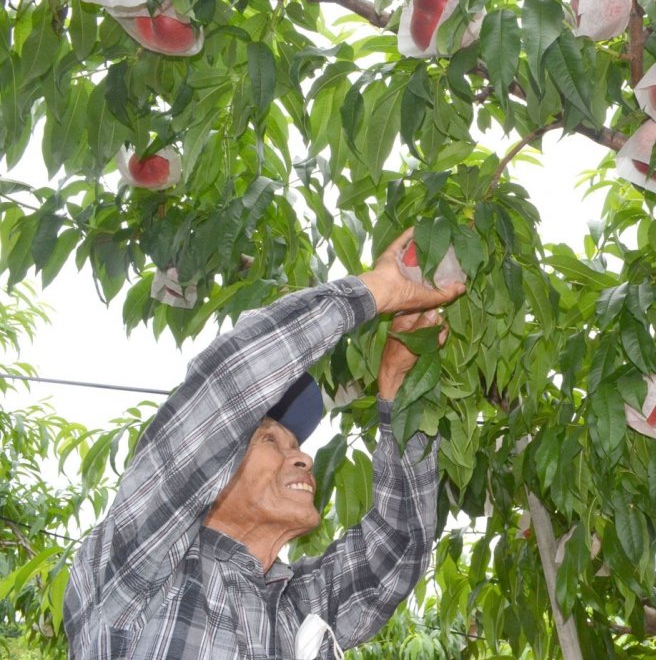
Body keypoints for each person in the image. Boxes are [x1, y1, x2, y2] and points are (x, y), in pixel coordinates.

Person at [63, 229, 466, 659]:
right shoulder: (142, 571)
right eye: (271, 440)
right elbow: (227, 388)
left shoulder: (294, 607)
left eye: (294, 444)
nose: (304, 458)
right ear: (215, 473)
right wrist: (377, 288)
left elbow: (397, 547)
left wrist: (400, 391)